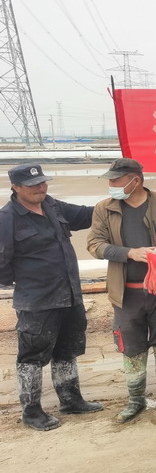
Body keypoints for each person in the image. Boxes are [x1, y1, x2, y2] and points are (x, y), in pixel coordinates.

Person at [0, 163, 101, 431]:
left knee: (67, 350)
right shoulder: (6, 218)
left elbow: (87, 215)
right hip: (37, 301)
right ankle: (31, 412)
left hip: (70, 294)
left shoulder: (53, 206)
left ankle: (70, 400)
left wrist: (115, 201)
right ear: (16, 187)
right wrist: (27, 281)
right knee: (32, 356)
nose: (40, 188)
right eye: (33, 185)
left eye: (43, 182)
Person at [87, 158, 156, 423]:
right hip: (126, 294)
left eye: (116, 180)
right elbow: (95, 244)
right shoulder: (104, 208)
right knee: (131, 348)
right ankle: (135, 399)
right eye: (110, 180)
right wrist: (129, 253)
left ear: (136, 180)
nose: (111, 185)